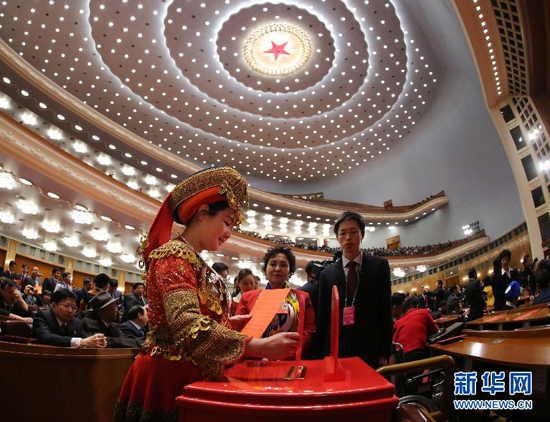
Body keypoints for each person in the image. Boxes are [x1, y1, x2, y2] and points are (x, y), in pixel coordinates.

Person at [115, 167, 300, 422]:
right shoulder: (174, 256)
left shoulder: (195, 261)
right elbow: (186, 323)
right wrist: (256, 346)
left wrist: (227, 324)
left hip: (191, 369)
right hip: (168, 374)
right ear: (202, 213)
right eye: (227, 222)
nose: (229, 233)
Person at [317, 211, 393, 369]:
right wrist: (323, 355)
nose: (348, 238)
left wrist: (384, 353)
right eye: (343, 233)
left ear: (362, 234)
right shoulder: (326, 274)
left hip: (370, 350)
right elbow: (323, 318)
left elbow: (385, 311)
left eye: (353, 232)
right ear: (337, 237)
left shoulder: (379, 266)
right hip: (337, 352)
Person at [235, 247, 316, 358]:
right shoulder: (248, 297)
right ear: (266, 268)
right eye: (273, 264)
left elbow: (308, 332)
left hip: (290, 360)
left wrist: (290, 352)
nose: (277, 269)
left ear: (290, 270)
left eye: (283, 265)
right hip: (255, 360)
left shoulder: (302, 297)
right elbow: (238, 331)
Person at [32, 289, 106, 348]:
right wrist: (81, 342)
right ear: (54, 305)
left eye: (73, 308)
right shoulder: (43, 316)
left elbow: (85, 338)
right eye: (66, 306)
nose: (70, 310)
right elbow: (46, 337)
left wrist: (97, 340)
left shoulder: (77, 323)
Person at [392, 297, 439, 362]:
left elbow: (394, 342)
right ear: (417, 306)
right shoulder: (424, 312)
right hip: (419, 354)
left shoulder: (398, 322)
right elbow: (436, 332)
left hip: (401, 358)